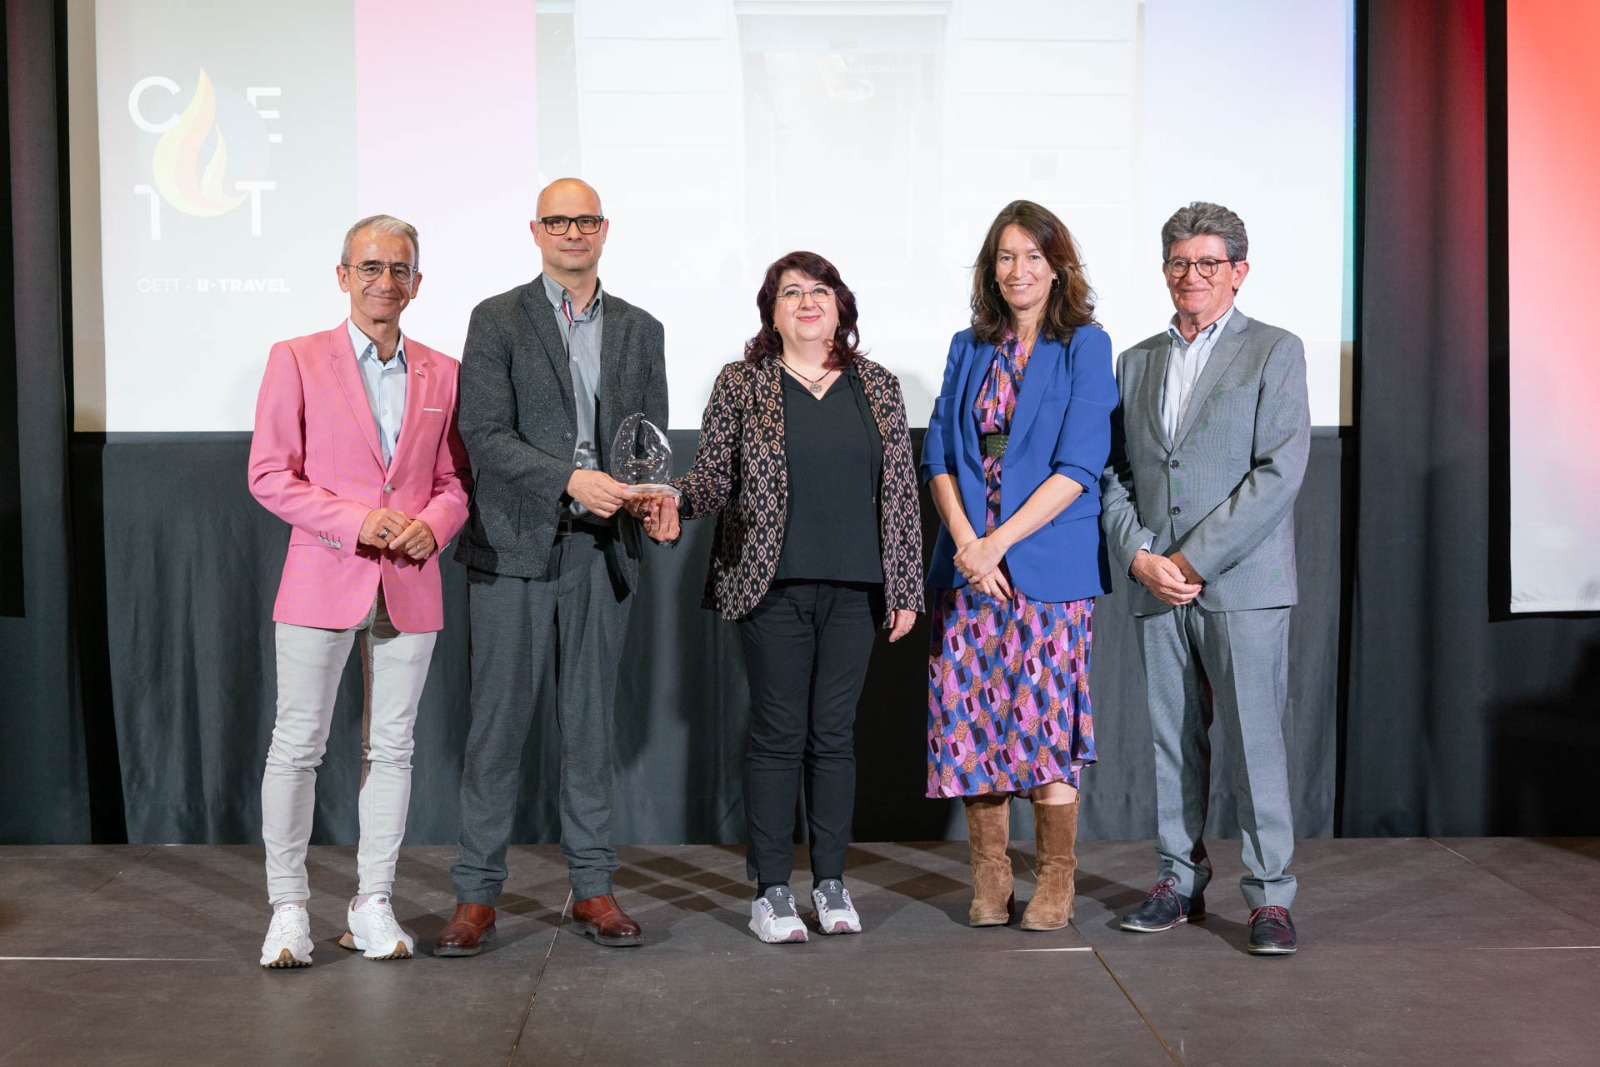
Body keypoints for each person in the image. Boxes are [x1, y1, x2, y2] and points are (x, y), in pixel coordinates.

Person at [637, 251, 922, 943]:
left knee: (834, 737)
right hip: (770, 585)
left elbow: (901, 493)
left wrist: (907, 584)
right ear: (771, 310)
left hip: (856, 588)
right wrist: (671, 496)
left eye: (819, 290)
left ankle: (829, 881)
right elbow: (711, 477)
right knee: (777, 734)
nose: (805, 301)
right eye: (790, 291)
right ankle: (770, 890)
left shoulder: (877, 386)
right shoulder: (742, 384)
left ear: (840, 306)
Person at [438, 178, 667, 954]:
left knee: (590, 728)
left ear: (605, 229)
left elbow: (647, 441)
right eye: (558, 220)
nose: (573, 231)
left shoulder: (641, 328)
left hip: (602, 553)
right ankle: (476, 896)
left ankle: (593, 887)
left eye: (586, 219)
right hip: (514, 548)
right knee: (497, 730)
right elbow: (483, 433)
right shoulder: (497, 318)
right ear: (536, 230)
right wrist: (568, 478)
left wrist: (648, 498)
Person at [248, 214, 472, 968]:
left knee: (394, 747)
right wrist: (358, 521)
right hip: (321, 576)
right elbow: (269, 474)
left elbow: (454, 482)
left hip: (411, 583)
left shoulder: (443, 370)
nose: (385, 281)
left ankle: (371, 901)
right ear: (343, 276)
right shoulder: (297, 358)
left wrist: (433, 526)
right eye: (370, 267)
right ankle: (288, 908)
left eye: (399, 268)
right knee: (298, 744)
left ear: (417, 281)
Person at [1100, 201, 1310, 955]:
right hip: (1157, 582)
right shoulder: (1135, 360)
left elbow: (1280, 471)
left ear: (1238, 272)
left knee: (1255, 743)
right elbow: (1115, 472)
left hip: (1242, 584)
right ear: (1165, 271)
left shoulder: (1275, 350)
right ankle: (1177, 881)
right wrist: (1140, 556)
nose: (1193, 276)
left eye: (1208, 264)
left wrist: (1191, 559)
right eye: (1180, 263)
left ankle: (1268, 897)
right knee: (1170, 742)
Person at [921, 200, 1117, 932]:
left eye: (1033, 255)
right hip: (968, 564)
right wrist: (970, 545)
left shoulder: (1086, 346)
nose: (1018, 269)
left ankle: (1056, 882)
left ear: (1058, 265)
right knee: (976, 722)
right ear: (990, 268)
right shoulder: (966, 345)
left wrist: (997, 543)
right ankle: (990, 878)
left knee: (1046, 727)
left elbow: (1080, 466)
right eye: (1005, 256)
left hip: (1046, 562)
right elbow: (938, 451)